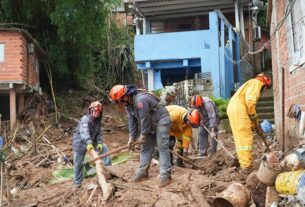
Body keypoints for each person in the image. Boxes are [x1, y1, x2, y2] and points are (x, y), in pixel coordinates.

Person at [109, 85, 172, 187]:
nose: (118, 105)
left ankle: (166, 176)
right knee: (145, 148)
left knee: (162, 147)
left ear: (125, 97)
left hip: (161, 120)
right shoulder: (128, 105)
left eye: (118, 101)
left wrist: (143, 134)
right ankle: (143, 173)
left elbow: (144, 118)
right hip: (151, 124)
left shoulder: (140, 100)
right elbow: (132, 121)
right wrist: (132, 137)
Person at [227, 72, 272, 174]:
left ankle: (244, 162)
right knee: (245, 138)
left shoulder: (250, 83)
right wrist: (254, 118)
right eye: (266, 88)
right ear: (264, 82)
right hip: (239, 109)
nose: (264, 90)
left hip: (235, 108)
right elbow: (250, 102)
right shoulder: (256, 83)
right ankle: (247, 166)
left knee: (241, 138)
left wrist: (254, 125)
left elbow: (248, 105)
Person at [72, 101, 111, 188]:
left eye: (98, 112)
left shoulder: (98, 121)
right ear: (90, 110)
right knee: (78, 164)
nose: (96, 113)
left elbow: (99, 133)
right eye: (95, 111)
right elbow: (84, 133)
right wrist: (89, 143)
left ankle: (108, 170)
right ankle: (77, 184)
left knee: (104, 148)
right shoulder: (85, 120)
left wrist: (99, 143)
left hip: (91, 141)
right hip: (80, 144)